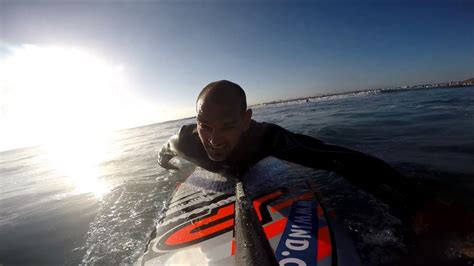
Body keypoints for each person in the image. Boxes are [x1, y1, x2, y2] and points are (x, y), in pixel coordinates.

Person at [158, 80, 473, 238]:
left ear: (246, 119)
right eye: (205, 125)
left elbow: (341, 159)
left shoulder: (266, 137)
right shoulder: (187, 140)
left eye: (227, 126)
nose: (212, 140)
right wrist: (167, 164)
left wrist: (421, 202)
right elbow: (165, 151)